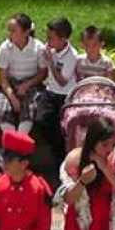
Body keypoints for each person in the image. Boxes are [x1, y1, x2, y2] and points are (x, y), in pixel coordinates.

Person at [0, 13, 48, 134]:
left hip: (31, 83)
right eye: (9, 30)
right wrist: (12, 97)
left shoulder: (38, 47)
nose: (9, 34)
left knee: (30, 107)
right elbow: (2, 78)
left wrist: (27, 85)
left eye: (13, 30)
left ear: (26, 32)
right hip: (10, 84)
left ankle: (20, 139)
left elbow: (43, 73)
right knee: (3, 108)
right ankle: (12, 142)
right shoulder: (5, 48)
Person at [36, 18, 78, 168]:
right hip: (50, 92)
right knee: (41, 120)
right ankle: (58, 153)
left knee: (62, 127)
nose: (47, 41)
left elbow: (62, 81)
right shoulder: (51, 50)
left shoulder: (72, 56)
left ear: (63, 39)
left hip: (65, 96)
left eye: (50, 38)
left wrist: (51, 62)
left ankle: (62, 159)